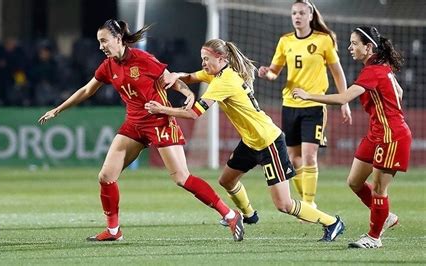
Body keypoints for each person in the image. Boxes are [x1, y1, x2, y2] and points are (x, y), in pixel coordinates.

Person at [38, 19, 244, 242]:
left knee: (182, 178)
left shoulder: (142, 59)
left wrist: (188, 93)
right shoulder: (107, 66)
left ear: (118, 39)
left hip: (159, 122)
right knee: (106, 177)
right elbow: (87, 90)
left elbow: (171, 79)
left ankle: (231, 215)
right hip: (133, 125)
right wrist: (58, 109)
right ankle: (114, 231)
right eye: (99, 42)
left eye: (104, 41)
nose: (101, 47)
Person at [145, 38, 345, 241]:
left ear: (221, 58)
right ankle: (249, 215)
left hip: (269, 142)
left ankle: (332, 222)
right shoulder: (217, 74)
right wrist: (175, 75)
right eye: (202, 59)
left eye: (206, 59)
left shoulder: (224, 81)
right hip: (251, 142)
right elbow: (190, 77)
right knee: (227, 180)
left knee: (284, 204)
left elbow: (195, 113)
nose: (203, 63)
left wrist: (161, 109)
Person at [293, 26, 411, 248]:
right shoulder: (380, 67)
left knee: (378, 189)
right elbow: (400, 92)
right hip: (376, 133)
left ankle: (374, 237)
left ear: (368, 47)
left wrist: (309, 96)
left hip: (391, 136)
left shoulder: (373, 70)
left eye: (354, 43)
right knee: (354, 181)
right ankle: (384, 216)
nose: (349, 47)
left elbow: (343, 98)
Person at [258, 0, 352, 209]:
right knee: (293, 158)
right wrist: (267, 73)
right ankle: (307, 200)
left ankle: (308, 205)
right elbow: (275, 72)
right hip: (290, 105)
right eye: (294, 13)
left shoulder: (323, 40)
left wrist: (344, 101)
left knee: (309, 156)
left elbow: (338, 73)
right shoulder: (285, 41)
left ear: (310, 16)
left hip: (314, 105)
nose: (297, 17)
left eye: (301, 13)